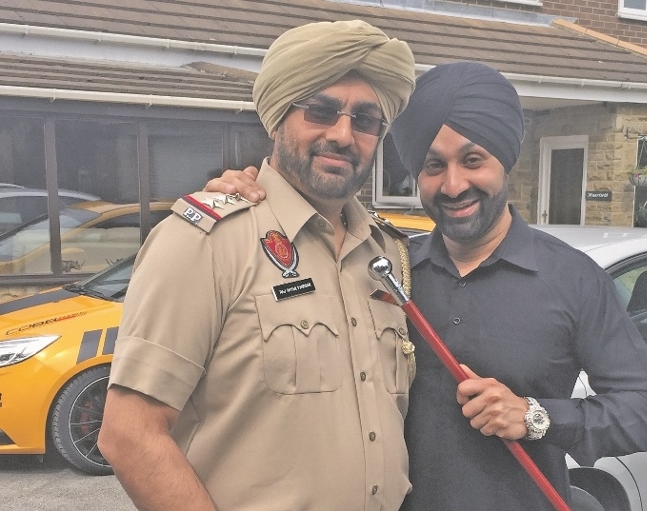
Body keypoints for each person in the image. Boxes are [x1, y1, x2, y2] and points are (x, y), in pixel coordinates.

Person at [206, 61, 647, 510]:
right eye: (433, 166)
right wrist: (256, 194)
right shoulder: (386, 265)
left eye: (473, 160)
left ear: (505, 161)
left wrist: (536, 417)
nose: (453, 185)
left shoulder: (571, 278)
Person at [97, 20, 417, 511]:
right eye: (321, 110)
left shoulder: (386, 254)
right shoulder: (206, 241)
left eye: (367, 120)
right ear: (275, 119)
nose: (343, 134)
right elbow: (130, 434)